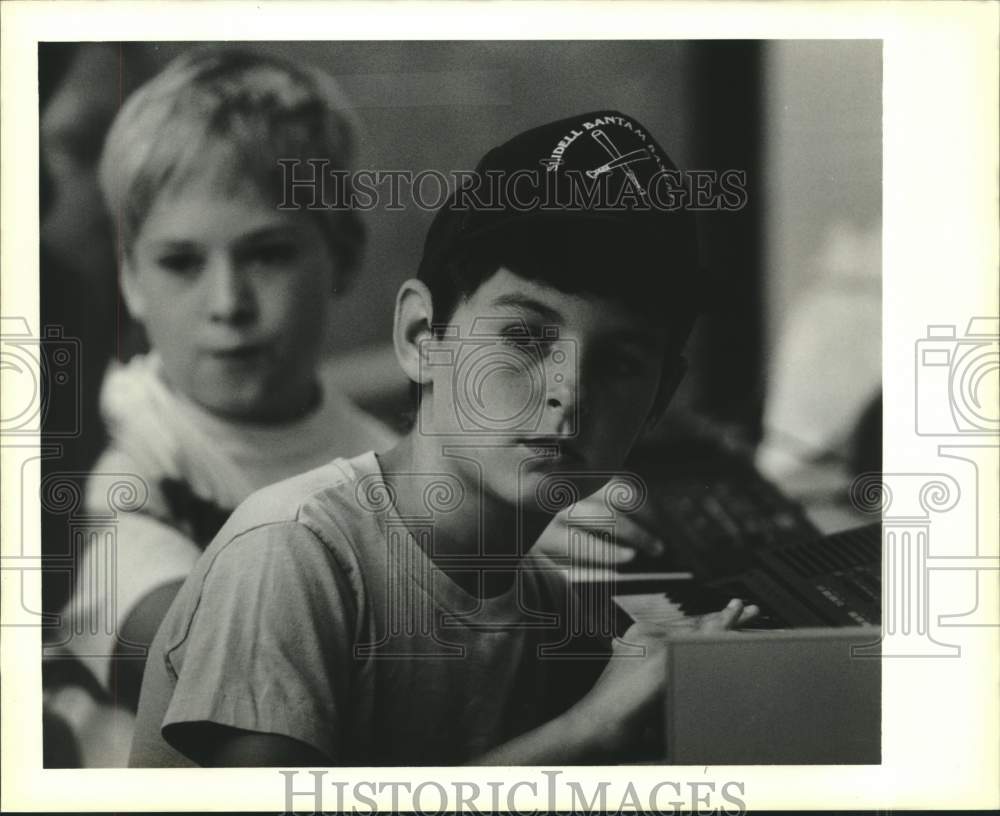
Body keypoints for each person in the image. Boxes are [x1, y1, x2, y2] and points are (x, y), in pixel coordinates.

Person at [130, 110, 758, 767]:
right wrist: (589, 730)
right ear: (420, 338)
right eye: (525, 337)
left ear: (659, 398)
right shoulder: (291, 555)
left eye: (621, 362)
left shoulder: (551, 606)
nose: (567, 393)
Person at [50, 49, 395, 757]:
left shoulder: (385, 462)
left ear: (346, 255)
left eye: (267, 254)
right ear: (131, 278)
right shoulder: (109, 449)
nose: (227, 305)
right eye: (181, 262)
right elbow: (224, 684)